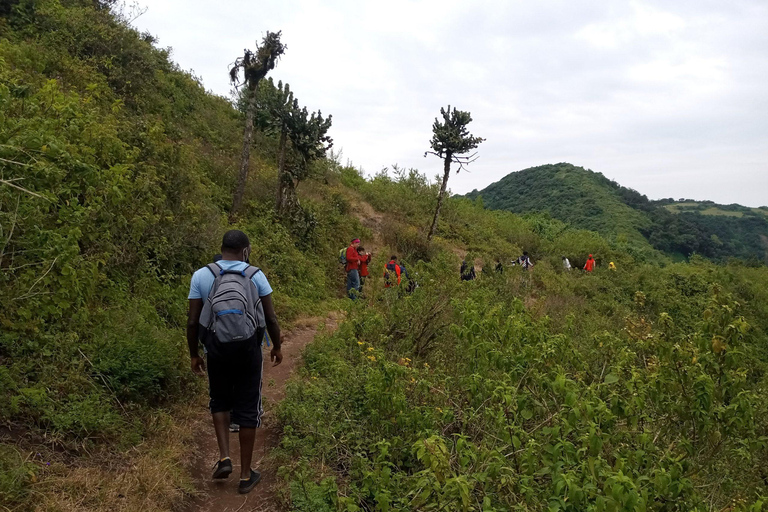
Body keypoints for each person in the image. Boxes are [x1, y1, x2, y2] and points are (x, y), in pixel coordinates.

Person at [187, 230, 283, 495]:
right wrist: (276, 346)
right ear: (245, 250)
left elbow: (194, 321)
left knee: (219, 400)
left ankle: (224, 457)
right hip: (248, 350)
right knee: (248, 406)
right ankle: (245, 475)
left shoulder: (202, 275)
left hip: (216, 350)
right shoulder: (255, 275)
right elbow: (271, 318)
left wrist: (194, 353)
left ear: (222, 248)